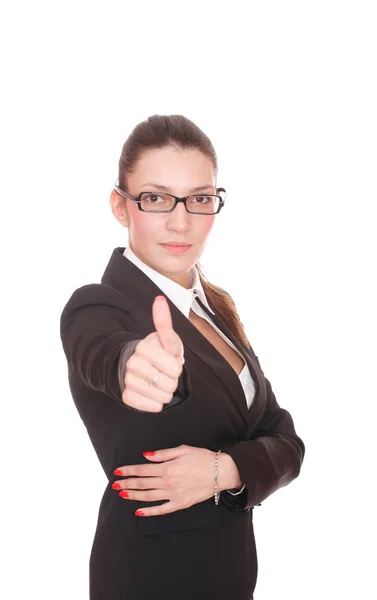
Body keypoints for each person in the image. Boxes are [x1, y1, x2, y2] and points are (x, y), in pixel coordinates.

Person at [60, 114, 305, 600]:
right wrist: (132, 363)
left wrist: (226, 470)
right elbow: (102, 350)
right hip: (147, 577)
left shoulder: (215, 308)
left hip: (229, 577)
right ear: (120, 205)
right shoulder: (98, 305)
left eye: (198, 199)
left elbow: (287, 442)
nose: (181, 221)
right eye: (155, 198)